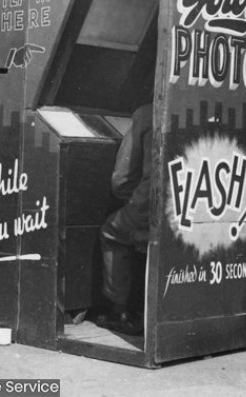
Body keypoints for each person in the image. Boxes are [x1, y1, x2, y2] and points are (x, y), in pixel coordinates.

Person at [96, 102, 153, 336]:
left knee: (112, 231)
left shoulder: (145, 113)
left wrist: (127, 198)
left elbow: (122, 178)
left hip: (152, 201)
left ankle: (120, 311)